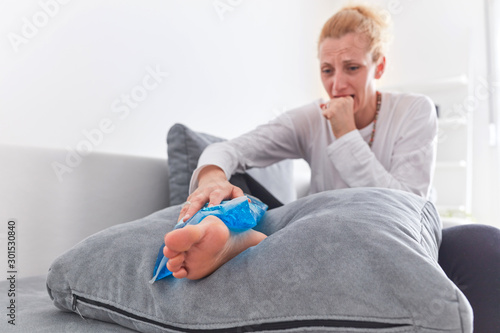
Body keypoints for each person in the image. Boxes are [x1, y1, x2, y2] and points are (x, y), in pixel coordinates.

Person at [163, 5, 500, 332]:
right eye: (327, 70)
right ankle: (240, 242)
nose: (337, 84)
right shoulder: (312, 117)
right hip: (325, 242)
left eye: (351, 68)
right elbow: (229, 149)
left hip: (400, 242)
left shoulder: (414, 110)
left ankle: (258, 245)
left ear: (378, 67)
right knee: (234, 180)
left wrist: (344, 133)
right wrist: (211, 177)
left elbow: (408, 202)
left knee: (484, 243)